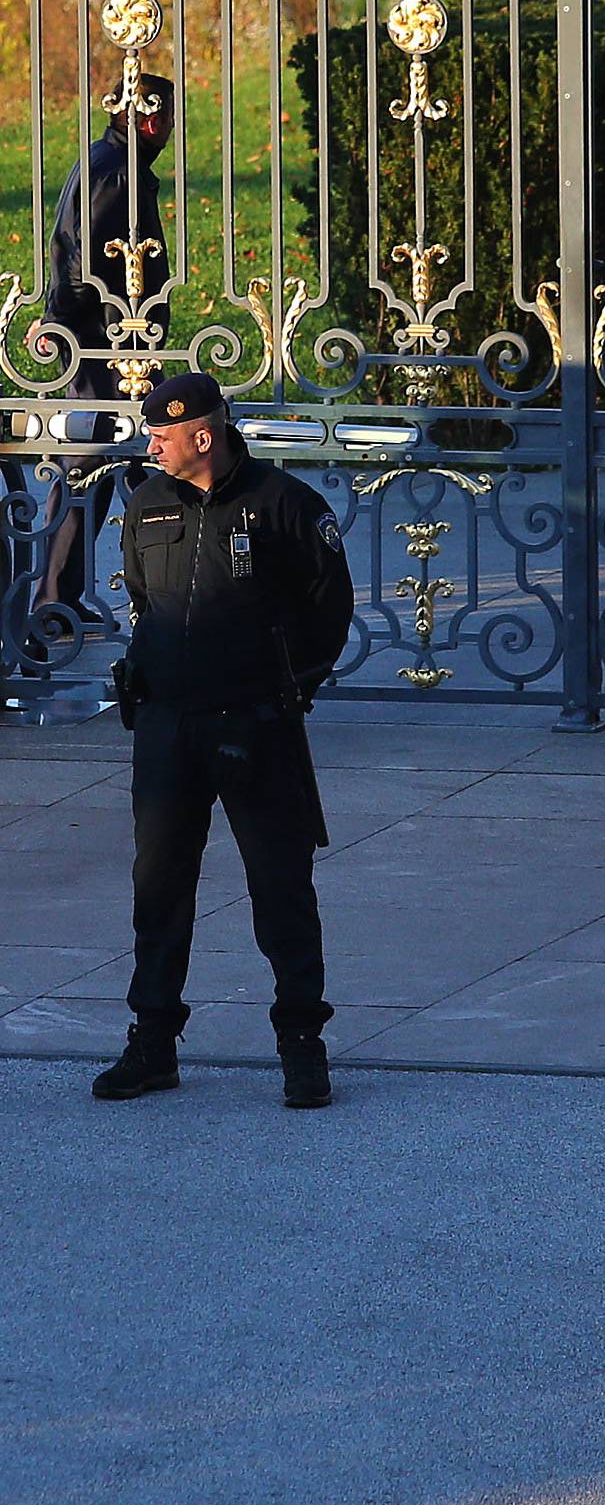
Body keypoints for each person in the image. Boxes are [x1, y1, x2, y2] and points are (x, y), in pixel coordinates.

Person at [91, 373, 355, 1111]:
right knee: (159, 885)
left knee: (280, 888)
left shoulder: (286, 507)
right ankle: (152, 1041)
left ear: (201, 435)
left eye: (163, 436)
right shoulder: (145, 504)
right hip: (168, 725)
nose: (151, 446)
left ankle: (302, 1044)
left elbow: (328, 609)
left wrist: (284, 689)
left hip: (256, 726)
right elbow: (143, 599)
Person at [34, 76, 176, 624]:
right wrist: (61, 323)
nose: (167, 129)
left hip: (116, 338)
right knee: (113, 463)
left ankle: (58, 600)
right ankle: (59, 601)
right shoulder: (116, 173)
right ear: (146, 119)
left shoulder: (114, 164)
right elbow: (78, 252)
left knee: (104, 466)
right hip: (106, 341)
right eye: (164, 118)